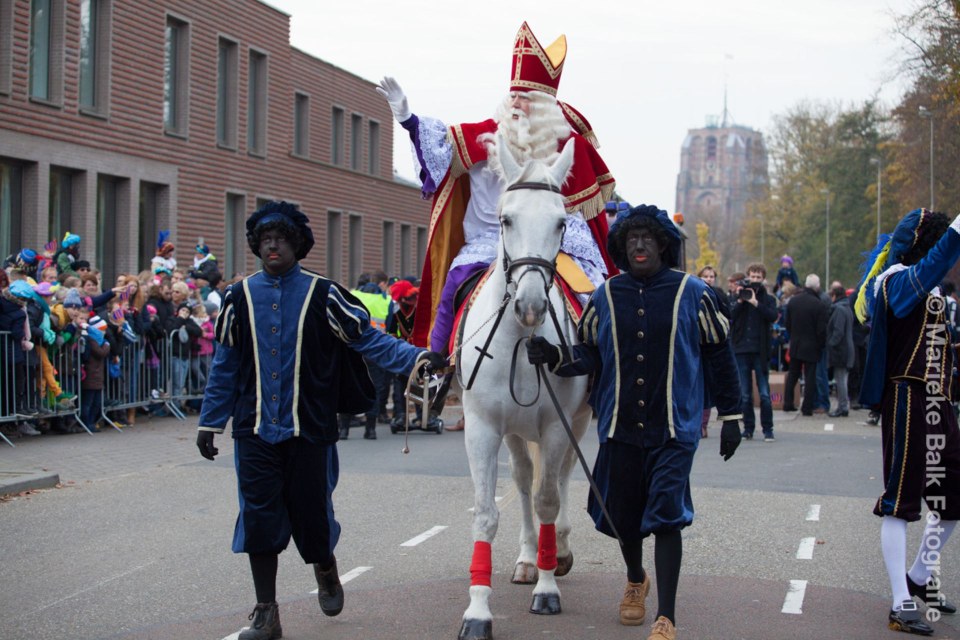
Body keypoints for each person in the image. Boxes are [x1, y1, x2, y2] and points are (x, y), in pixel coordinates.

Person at [195, 201, 444, 640]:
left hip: (309, 427)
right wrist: (209, 421)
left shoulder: (324, 294)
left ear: (296, 245)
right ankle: (266, 613)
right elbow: (225, 365)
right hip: (253, 429)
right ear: (257, 245)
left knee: (312, 515)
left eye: (281, 239)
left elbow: (370, 341)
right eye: (266, 239)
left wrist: (416, 358)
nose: (273, 245)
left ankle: (325, 565)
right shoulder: (238, 297)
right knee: (259, 517)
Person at [526, 204, 742, 640]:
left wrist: (733, 415)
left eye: (647, 238)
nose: (639, 245)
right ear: (622, 249)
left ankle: (667, 616)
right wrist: (555, 356)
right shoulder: (605, 296)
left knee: (665, 515)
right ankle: (634, 577)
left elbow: (719, 354)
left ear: (662, 244)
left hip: (673, 428)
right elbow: (589, 353)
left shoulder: (692, 293)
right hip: (619, 427)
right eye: (631, 240)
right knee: (624, 516)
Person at [377, 21, 616, 352]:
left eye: (526, 97)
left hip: (557, 240)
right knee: (454, 283)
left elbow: (582, 212)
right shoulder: (484, 136)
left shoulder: (568, 147)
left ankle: (601, 371)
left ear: (547, 107)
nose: (516, 103)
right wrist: (408, 120)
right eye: (514, 95)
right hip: (491, 238)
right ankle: (435, 365)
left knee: (595, 293)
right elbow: (440, 150)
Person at [854, 208, 960, 636]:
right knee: (900, 501)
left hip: (938, 402)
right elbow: (932, 266)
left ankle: (920, 574)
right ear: (924, 246)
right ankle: (900, 601)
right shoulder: (897, 281)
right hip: (906, 397)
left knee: (954, 495)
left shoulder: (931, 288)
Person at [730, 263, 779, 441]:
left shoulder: (768, 299)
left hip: (760, 350)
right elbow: (730, 316)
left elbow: (773, 315)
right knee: (744, 394)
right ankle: (748, 428)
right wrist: (741, 300)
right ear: (748, 276)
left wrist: (756, 303)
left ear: (763, 279)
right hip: (741, 349)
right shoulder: (740, 295)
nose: (755, 280)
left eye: (759, 277)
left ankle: (768, 429)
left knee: (765, 393)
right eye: (753, 276)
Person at [782, 274, 828, 416]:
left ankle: (788, 403)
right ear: (817, 286)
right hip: (812, 345)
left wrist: (793, 337)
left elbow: (787, 324)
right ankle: (807, 407)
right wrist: (821, 345)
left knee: (793, 375)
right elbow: (822, 330)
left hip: (796, 343)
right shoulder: (819, 304)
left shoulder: (793, 302)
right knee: (810, 378)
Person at [825, 284, 854, 417]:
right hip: (847, 348)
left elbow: (838, 331)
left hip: (841, 350)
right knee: (843, 379)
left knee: (840, 380)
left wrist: (830, 344)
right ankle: (843, 406)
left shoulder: (839, 309)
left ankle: (842, 407)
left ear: (834, 296)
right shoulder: (847, 308)